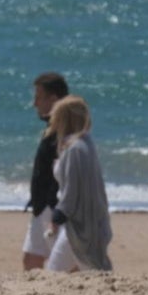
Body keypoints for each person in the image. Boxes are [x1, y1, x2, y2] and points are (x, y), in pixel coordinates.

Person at [42, 96, 113, 272]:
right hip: (88, 221)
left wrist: (57, 218)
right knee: (91, 267)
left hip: (80, 224)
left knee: (58, 270)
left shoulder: (75, 150)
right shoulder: (86, 144)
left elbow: (71, 191)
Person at [22, 72, 69, 270]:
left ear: (54, 99)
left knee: (65, 267)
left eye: (39, 98)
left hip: (53, 206)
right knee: (31, 259)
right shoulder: (52, 127)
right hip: (41, 206)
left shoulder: (64, 130)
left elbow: (65, 172)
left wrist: (55, 206)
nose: (35, 104)